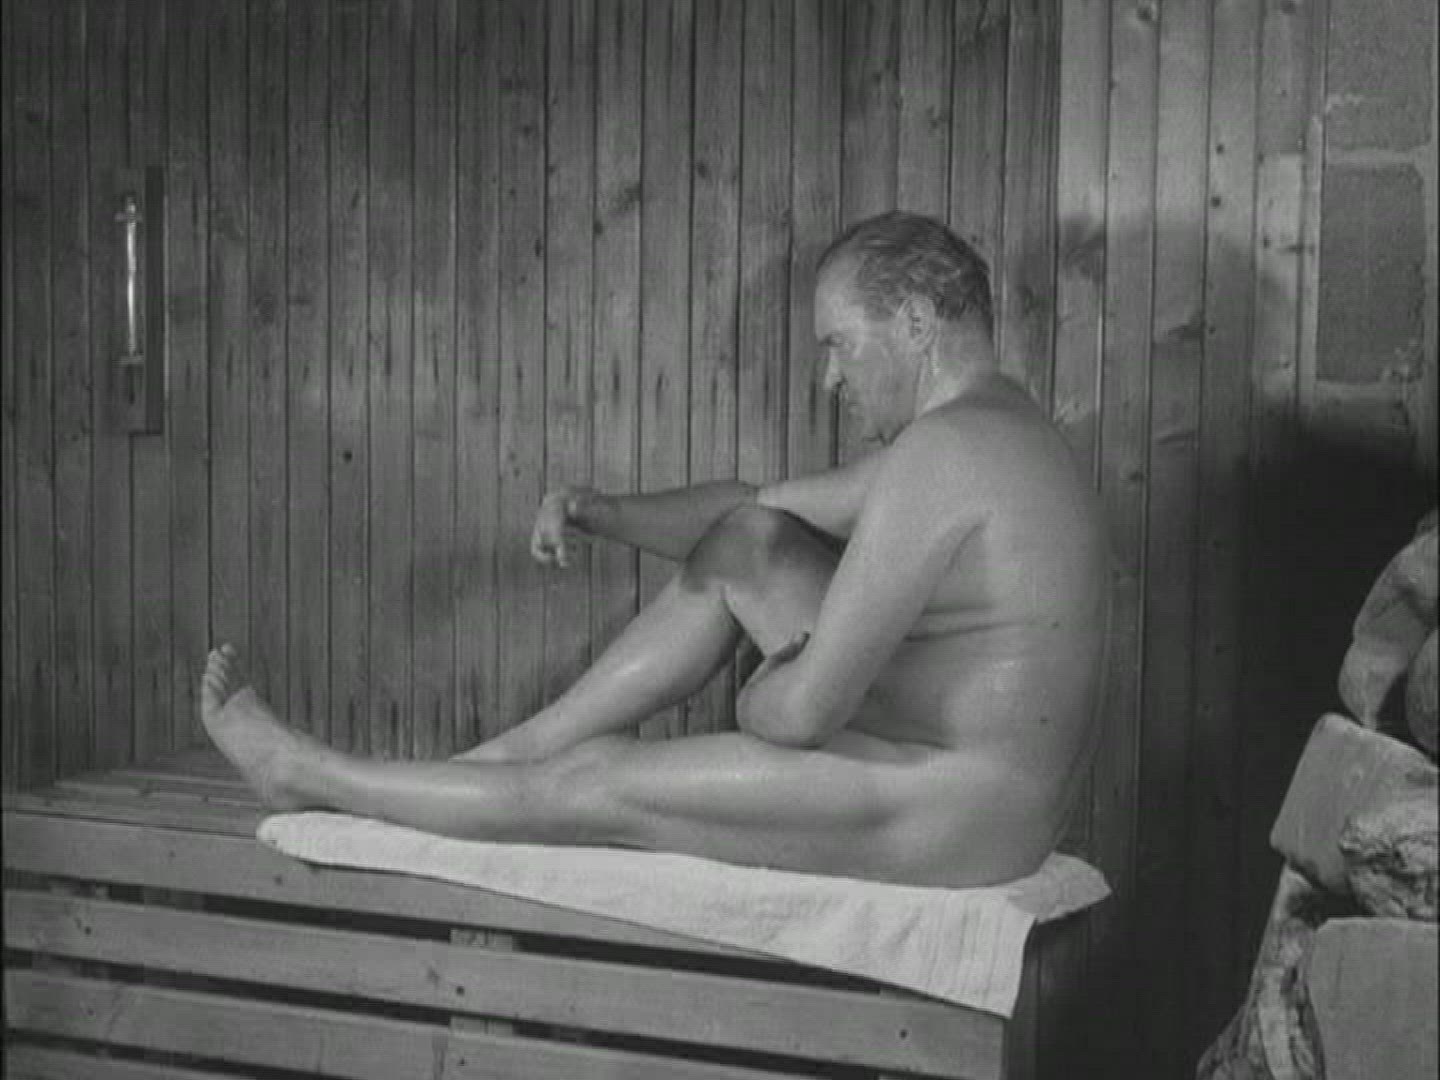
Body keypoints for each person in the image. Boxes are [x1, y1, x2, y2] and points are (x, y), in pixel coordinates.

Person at [202, 211, 1111, 888]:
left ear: (914, 323)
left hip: (956, 812)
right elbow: (757, 511)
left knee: (596, 781)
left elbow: (801, 715)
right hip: (970, 778)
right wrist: (600, 511)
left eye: (839, 344)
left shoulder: (943, 454)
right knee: (752, 543)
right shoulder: (995, 432)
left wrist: (759, 691)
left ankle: (311, 773)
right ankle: (514, 753)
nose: (829, 376)